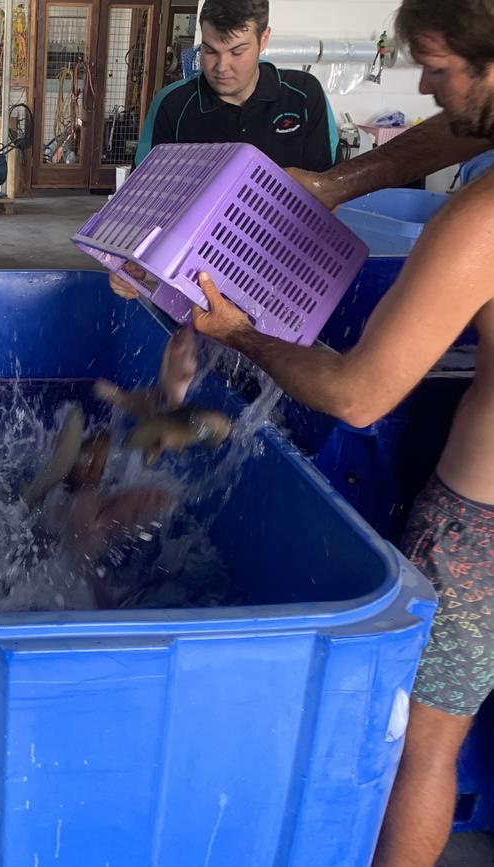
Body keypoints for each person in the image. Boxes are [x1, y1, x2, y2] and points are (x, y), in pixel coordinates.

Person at [189, 1, 494, 865]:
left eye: (438, 66)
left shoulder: (479, 221)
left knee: (422, 749)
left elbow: (358, 395)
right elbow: (454, 133)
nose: (424, 85)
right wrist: (334, 185)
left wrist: (241, 331)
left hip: (482, 524)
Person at [111, 0, 339, 300]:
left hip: (284, 271)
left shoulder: (303, 97)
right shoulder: (174, 105)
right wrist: (128, 262)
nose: (221, 67)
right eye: (210, 51)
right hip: (196, 273)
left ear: (264, 39)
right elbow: (143, 200)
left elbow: (327, 194)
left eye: (237, 52)